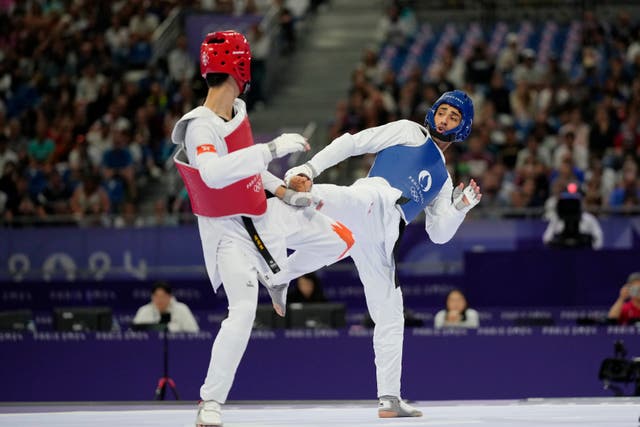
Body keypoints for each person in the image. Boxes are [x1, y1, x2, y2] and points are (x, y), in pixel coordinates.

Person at [170, 30, 353, 427]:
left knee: (340, 240)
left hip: (260, 211)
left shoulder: (237, 109)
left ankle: (278, 277)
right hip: (228, 233)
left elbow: (251, 171)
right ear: (239, 65)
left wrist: (284, 190)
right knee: (242, 312)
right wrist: (270, 149)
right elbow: (215, 174)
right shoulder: (200, 126)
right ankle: (210, 402)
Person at [282, 90, 481, 418]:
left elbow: (439, 234)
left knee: (390, 316)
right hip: (376, 198)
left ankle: (389, 399)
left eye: (453, 117)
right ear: (433, 112)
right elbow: (352, 143)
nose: (444, 119)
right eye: (442, 111)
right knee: (348, 201)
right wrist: (310, 166)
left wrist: (459, 208)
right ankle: (299, 187)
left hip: (385, 236)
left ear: (463, 127)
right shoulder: (408, 130)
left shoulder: (444, 180)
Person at [132, 281, 199, 332]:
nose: (160, 300)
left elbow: (194, 331)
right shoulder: (144, 311)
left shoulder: (182, 309)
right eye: (156, 296)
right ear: (152, 297)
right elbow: (134, 333)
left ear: (170, 296)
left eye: (163, 296)